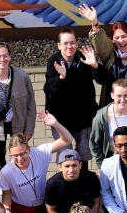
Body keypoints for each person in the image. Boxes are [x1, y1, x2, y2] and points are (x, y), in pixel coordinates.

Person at [0, 116, 74, 213]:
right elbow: (6, 193)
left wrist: (55, 124)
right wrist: (6, 210)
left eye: (22, 154)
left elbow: (67, 140)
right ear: (10, 155)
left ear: (29, 149)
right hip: (21, 207)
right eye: (15, 156)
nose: (19, 159)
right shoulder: (6, 171)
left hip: (43, 205)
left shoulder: (40, 153)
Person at [43, 30, 106, 163]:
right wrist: (61, 77)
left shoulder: (84, 59)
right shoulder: (53, 62)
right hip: (61, 120)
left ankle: (83, 181)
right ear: (59, 45)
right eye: (65, 43)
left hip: (84, 119)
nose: (69, 46)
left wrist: (94, 65)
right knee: (66, 157)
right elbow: (49, 91)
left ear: (77, 44)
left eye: (72, 43)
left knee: (84, 156)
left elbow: (103, 80)